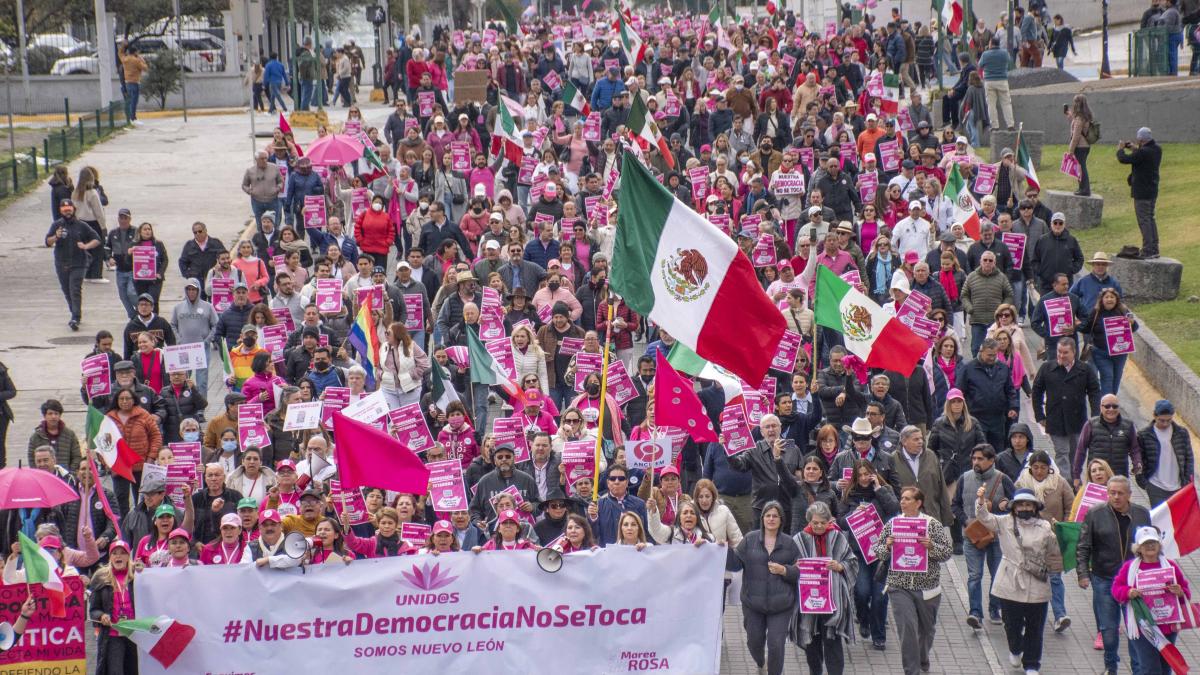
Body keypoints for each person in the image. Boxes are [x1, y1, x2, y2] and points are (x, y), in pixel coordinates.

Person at [975, 488, 1062, 675]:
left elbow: (1053, 552)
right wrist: (981, 500)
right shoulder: (1004, 522)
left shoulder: (1045, 526)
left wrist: (1059, 535)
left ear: (1035, 507)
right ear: (1014, 507)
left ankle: (1032, 664)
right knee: (1011, 623)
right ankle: (1015, 648)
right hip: (1010, 579)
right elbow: (984, 517)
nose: (1024, 507)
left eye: (1028, 504)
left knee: (1035, 626)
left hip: (1036, 581)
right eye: (1021, 504)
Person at [871, 487, 954, 675]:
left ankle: (922, 658)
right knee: (907, 629)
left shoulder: (932, 525)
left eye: (908, 499)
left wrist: (931, 547)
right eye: (902, 498)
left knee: (927, 631)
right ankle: (911, 670)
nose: (903, 502)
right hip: (898, 585)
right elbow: (878, 551)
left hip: (927, 587)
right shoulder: (893, 524)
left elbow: (947, 552)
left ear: (918, 503)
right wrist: (888, 546)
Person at [1076, 476, 1152, 675]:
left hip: (1134, 582)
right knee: (1108, 630)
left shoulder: (1142, 514)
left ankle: (1138, 670)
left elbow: (1151, 545)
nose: (1116, 497)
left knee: (1136, 630)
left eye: (1120, 493)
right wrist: (1083, 573)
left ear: (1129, 494)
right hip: (1104, 579)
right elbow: (1083, 546)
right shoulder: (1095, 514)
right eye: (1112, 493)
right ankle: (1111, 666)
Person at [1112, 526, 1192, 674]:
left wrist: (1180, 592)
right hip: (1143, 627)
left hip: (1168, 626)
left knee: (1166, 665)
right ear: (1138, 548)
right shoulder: (1130, 568)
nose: (1150, 546)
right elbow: (1116, 590)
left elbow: (1186, 593)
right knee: (1150, 667)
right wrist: (1128, 592)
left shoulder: (1171, 566)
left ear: (1159, 545)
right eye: (1145, 543)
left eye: (1153, 542)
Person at [733, 501, 800, 675]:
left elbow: (799, 572)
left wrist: (784, 570)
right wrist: (722, 549)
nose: (771, 519)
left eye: (775, 516)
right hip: (753, 603)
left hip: (781, 605)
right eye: (767, 515)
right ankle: (760, 662)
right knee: (754, 641)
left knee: (776, 645)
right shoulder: (750, 539)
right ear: (762, 519)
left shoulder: (790, 543)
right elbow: (734, 564)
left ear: (781, 519)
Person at [953, 443, 1015, 628]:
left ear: (991, 460)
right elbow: (955, 505)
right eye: (974, 458)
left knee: (997, 575)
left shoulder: (1002, 479)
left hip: (996, 537)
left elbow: (1016, 504)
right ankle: (975, 613)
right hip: (972, 536)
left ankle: (995, 609)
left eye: (980, 458)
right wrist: (966, 522)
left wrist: (999, 507)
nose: (976, 462)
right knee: (974, 576)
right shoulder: (965, 478)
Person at [728, 414, 798, 534]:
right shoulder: (754, 450)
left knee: (784, 544)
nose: (771, 430)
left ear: (780, 428)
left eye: (774, 426)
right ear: (761, 431)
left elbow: (798, 476)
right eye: (767, 427)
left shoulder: (792, 449)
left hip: (786, 508)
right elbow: (739, 465)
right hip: (761, 508)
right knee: (759, 545)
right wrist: (728, 450)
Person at [45, 198, 101, 330]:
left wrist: (86, 246)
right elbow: (47, 242)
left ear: (73, 209)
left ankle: (75, 317)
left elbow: (97, 239)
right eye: (64, 210)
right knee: (66, 291)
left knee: (74, 289)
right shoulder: (56, 225)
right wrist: (56, 237)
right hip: (61, 263)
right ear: (60, 211)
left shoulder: (81, 225)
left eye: (69, 209)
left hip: (79, 263)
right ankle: (74, 312)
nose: (67, 212)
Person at [89, 540, 139, 674]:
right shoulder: (100, 578)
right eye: (114, 553)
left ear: (129, 556)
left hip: (135, 635)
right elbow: (93, 610)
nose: (118, 556)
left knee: (134, 671)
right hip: (112, 636)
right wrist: (101, 615)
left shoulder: (138, 576)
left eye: (123, 553)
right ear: (110, 557)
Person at [1137, 399, 1194, 508]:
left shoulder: (1181, 433)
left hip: (1178, 486)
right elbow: (1139, 459)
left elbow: (1189, 458)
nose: (1165, 423)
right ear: (1154, 415)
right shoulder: (1144, 434)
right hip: (1155, 485)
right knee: (1159, 521)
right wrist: (1144, 482)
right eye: (1161, 420)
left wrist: (1187, 481)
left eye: (1169, 420)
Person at [1116, 127, 1162, 259]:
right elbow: (1142, 153)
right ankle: (1154, 248)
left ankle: (1148, 250)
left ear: (1141, 139)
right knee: (1150, 218)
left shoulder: (1142, 153)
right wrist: (1135, 148)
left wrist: (1120, 149)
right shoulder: (1157, 149)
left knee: (1144, 220)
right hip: (1152, 191)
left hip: (1142, 192)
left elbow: (1123, 159)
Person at [978, 37, 1015, 131]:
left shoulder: (985, 54)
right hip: (1002, 80)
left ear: (991, 43)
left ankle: (994, 126)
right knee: (1006, 103)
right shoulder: (1004, 53)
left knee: (991, 105)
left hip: (989, 81)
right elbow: (1009, 61)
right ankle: (1010, 125)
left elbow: (980, 65)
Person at [1066, 94, 1094, 196]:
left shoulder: (1079, 118)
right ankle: (1082, 188)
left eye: (1075, 102)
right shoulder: (1085, 116)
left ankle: (1085, 189)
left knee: (1081, 168)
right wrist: (1071, 117)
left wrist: (1071, 150)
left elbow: (1076, 136)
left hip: (1080, 147)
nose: (1073, 104)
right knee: (1081, 167)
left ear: (1078, 103)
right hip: (1085, 146)